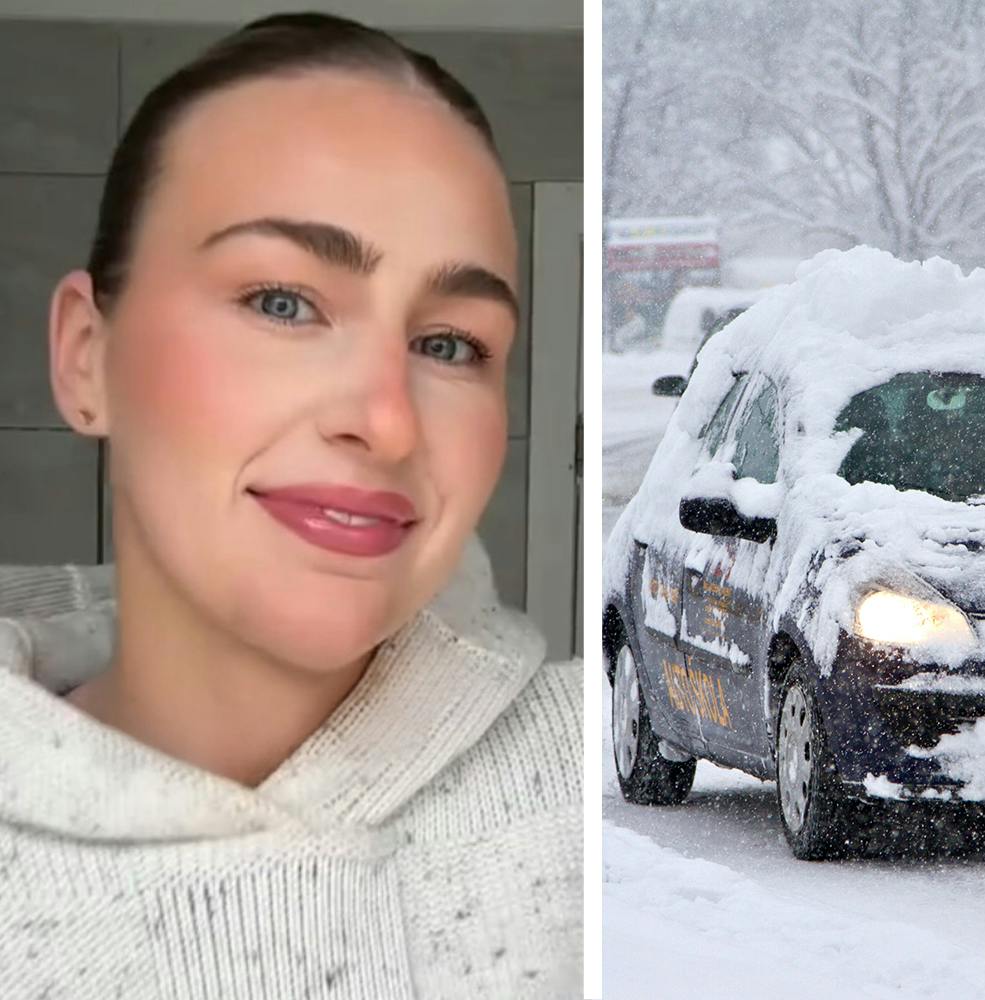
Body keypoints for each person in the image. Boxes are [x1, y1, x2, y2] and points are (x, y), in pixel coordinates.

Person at [0, 14, 581, 997]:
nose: (387, 422)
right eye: (282, 302)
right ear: (85, 357)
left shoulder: (585, 802)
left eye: (450, 344)